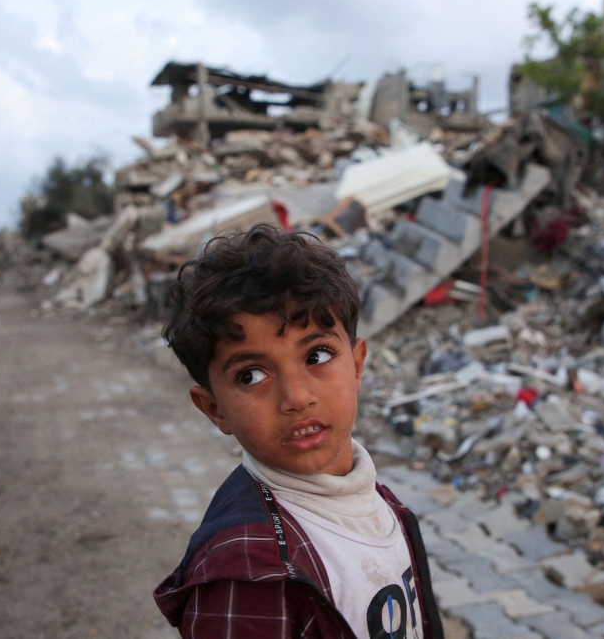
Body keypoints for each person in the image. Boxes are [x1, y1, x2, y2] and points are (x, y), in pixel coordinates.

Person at [153, 224, 442, 639]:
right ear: (215, 409)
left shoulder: (370, 497)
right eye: (251, 375)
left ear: (357, 365)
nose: (297, 397)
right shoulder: (247, 577)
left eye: (318, 354)